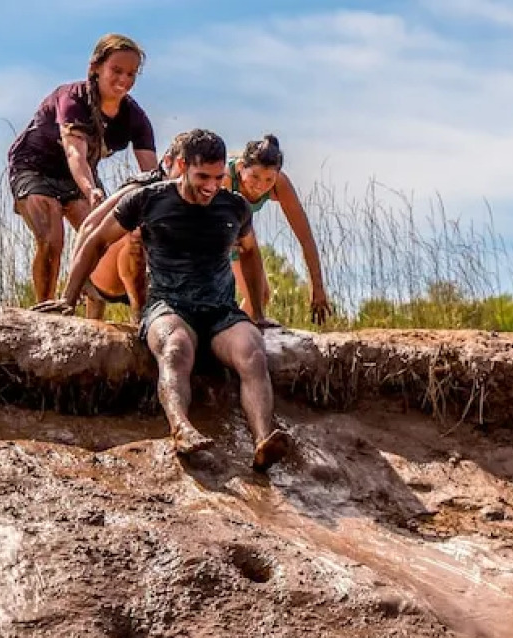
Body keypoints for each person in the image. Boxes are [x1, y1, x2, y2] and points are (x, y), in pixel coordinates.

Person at [36, 129, 289, 471]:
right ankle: (181, 428)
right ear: (182, 166)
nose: (212, 186)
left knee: (253, 352)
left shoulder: (234, 206)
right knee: (176, 349)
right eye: (203, 177)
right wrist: (68, 298)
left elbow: (251, 253)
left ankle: (263, 439)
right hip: (169, 307)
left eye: (218, 178)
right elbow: (96, 240)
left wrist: (256, 312)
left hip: (220, 312)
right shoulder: (148, 200)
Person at [7, 34, 156, 303]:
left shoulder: (134, 117)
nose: (124, 79)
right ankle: (46, 307)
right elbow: (75, 153)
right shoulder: (72, 99)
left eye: (131, 74)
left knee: (105, 238)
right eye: (116, 70)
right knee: (52, 238)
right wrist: (90, 189)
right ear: (96, 67)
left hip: (77, 176)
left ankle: (93, 305)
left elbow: (152, 174)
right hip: (35, 167)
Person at [76, 134, 188, 322]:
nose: (187, 180)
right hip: (112, 275)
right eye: (183, 169)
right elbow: (90, 225)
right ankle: (139, 315)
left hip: (161, 282)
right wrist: (75, 288)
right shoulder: (143, 187)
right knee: (135, 235)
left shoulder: (203, 195)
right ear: (169, 162)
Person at [223, 135, 332, 325]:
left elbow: (305, 238)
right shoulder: (225, 179)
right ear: (241, 167)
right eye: (255, 177)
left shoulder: (280, 184)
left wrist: (317, 287)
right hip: (211, 232)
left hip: (239, 232)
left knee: (260, 295)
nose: (261, 185)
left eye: (269, 179)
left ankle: (236, 332)